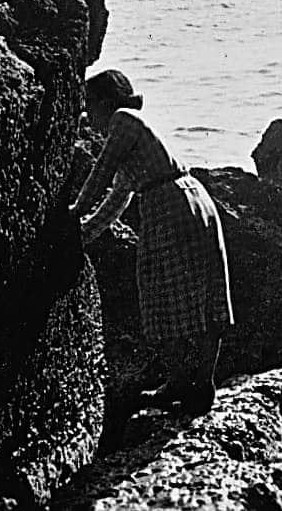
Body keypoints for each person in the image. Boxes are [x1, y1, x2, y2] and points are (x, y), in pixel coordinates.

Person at [72, 69, 234, 415]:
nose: (88, 119)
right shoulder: (135, 133)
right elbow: (117, 198)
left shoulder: (123, 120)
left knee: (161, 297)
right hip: (190, 198)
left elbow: (101, 173)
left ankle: (188, 382)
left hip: (168, 205)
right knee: (203, 293)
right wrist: (83, 235)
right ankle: (195, 382)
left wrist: (73, 211)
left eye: (89, 107)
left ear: (104, 102)